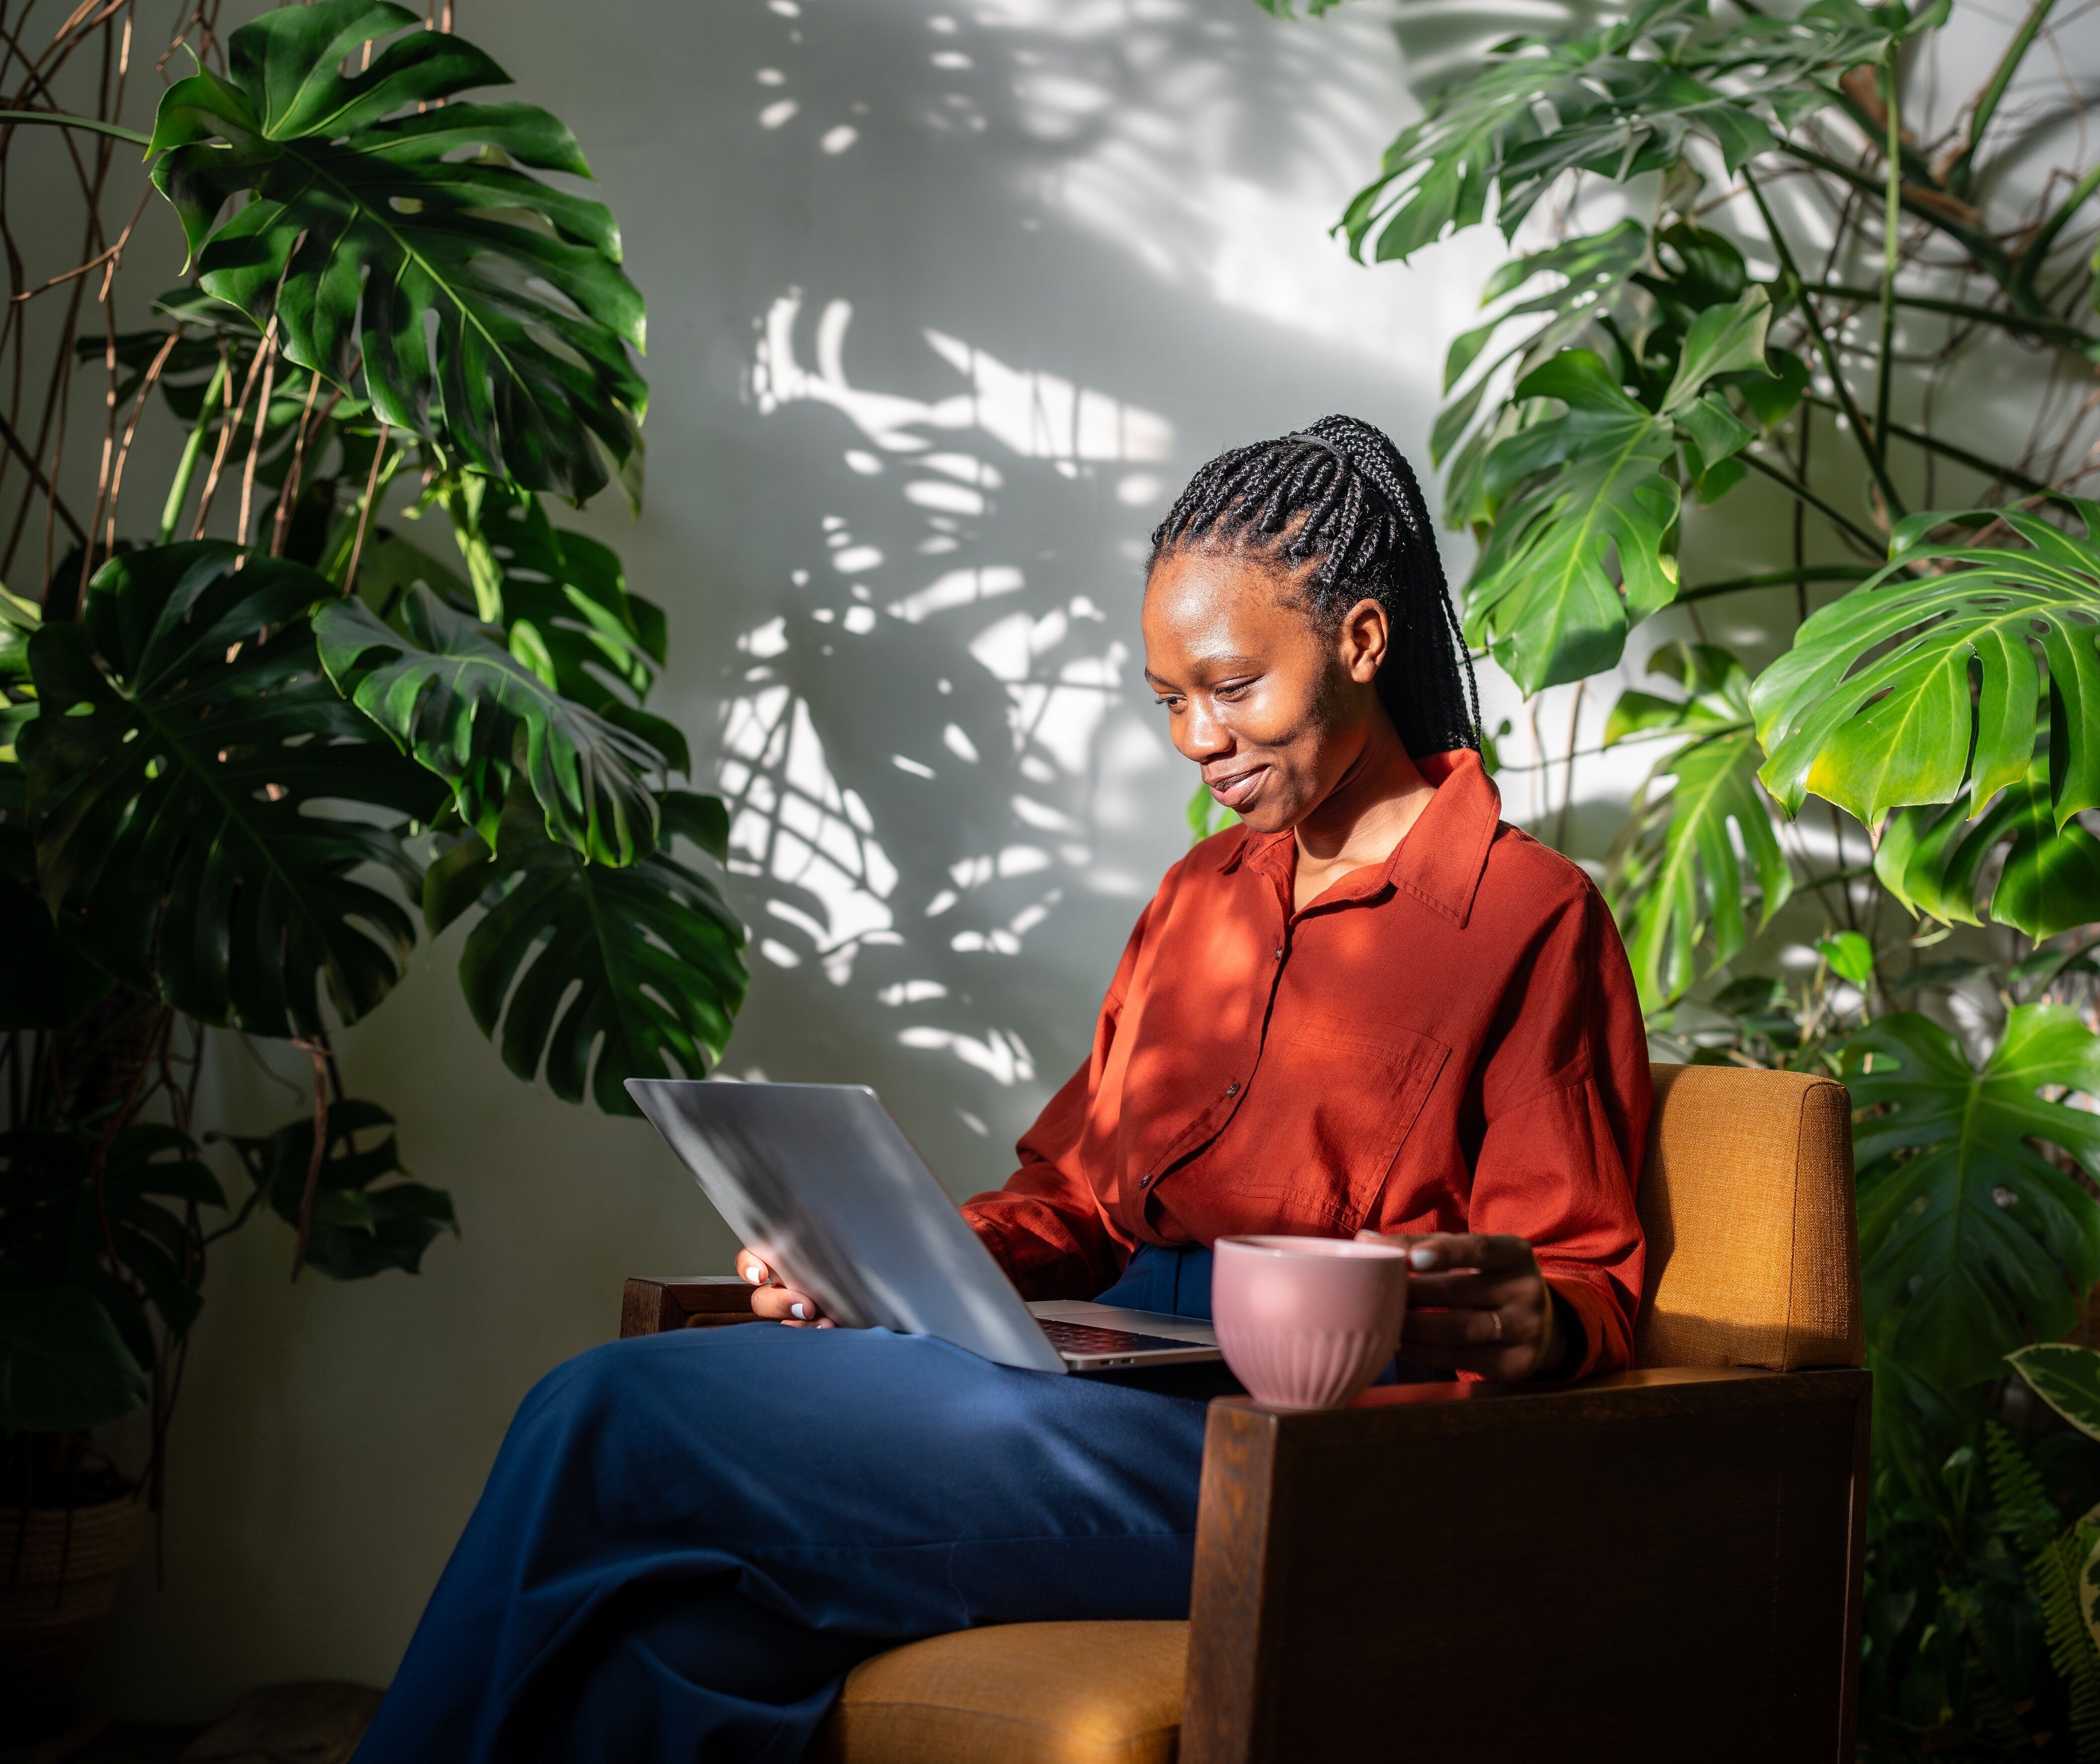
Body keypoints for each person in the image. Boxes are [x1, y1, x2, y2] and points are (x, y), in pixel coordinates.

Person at [352, 415, 1650, 1764]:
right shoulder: (1198, 899)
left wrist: (1526, 1316)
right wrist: (887, 1261)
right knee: (671, 1649)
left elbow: (1587, 1287)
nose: (1196, 738)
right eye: (1168, 701)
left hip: (1298, 1456)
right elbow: (1076, 1198)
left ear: (1363, 643)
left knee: (604, 1413)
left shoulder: (1526, 916)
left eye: (1231, 687)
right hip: (1095, 1370)